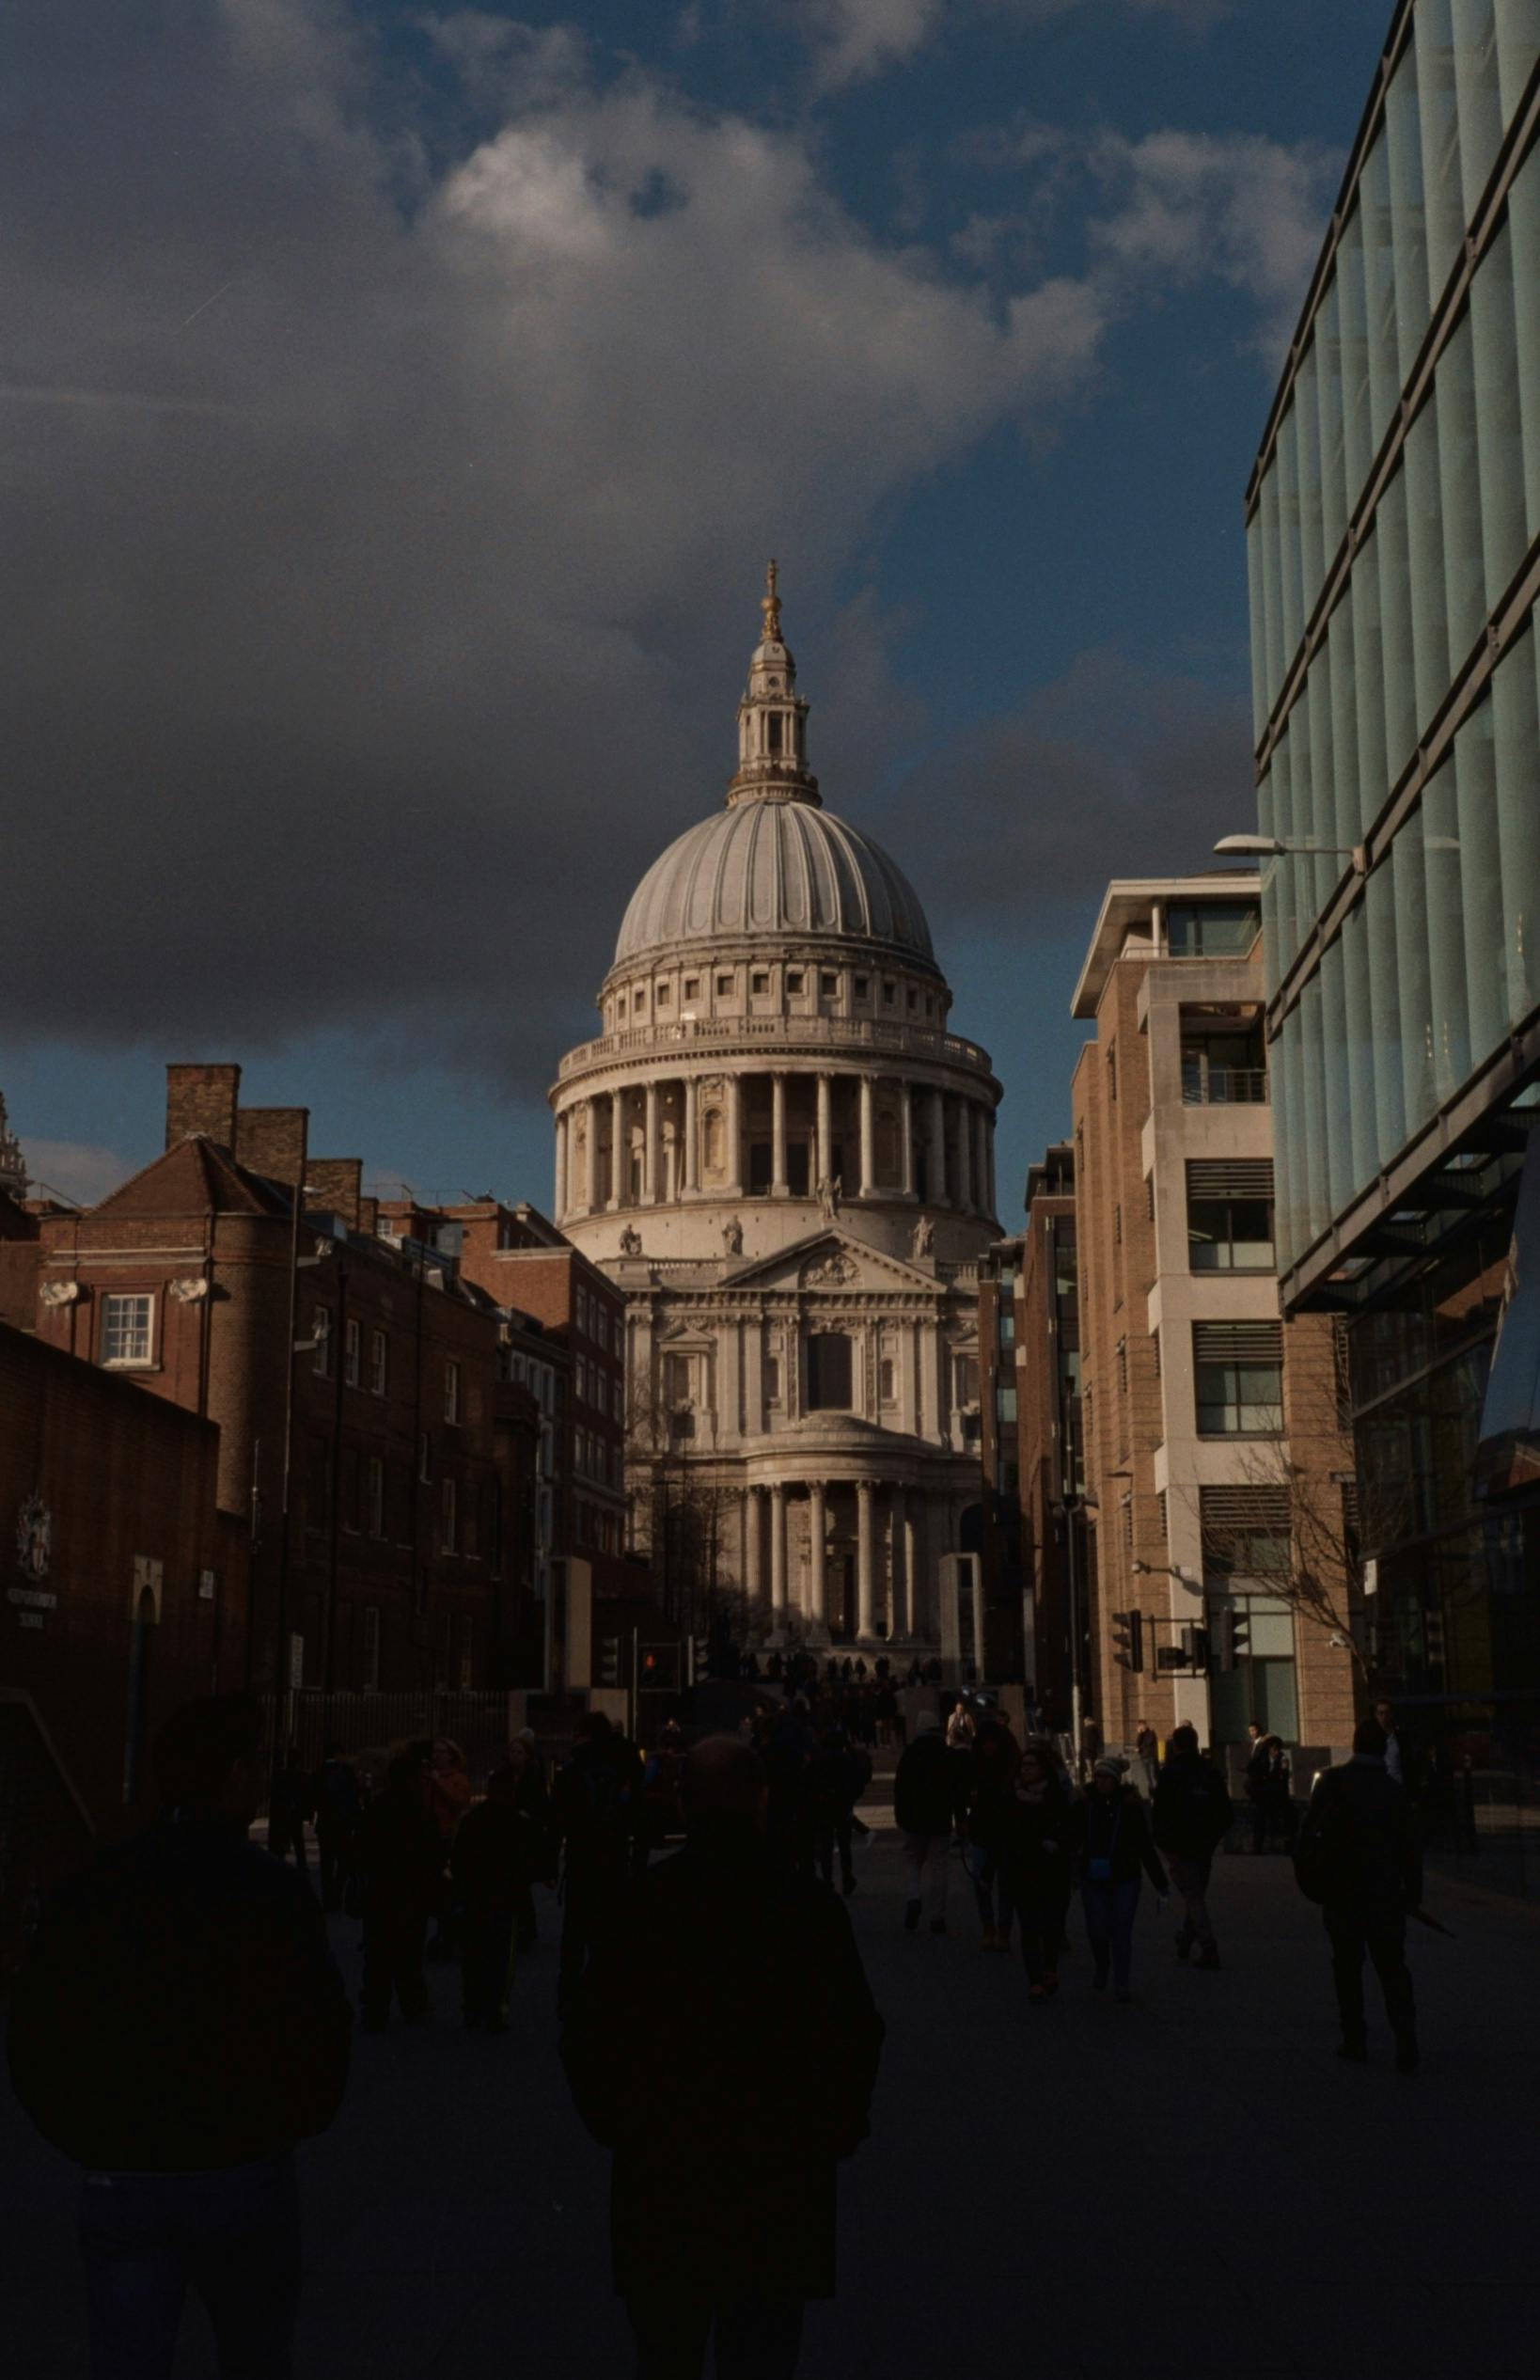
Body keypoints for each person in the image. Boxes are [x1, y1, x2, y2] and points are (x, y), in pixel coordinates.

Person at [7, 1694, 351, 2379]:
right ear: (228, 1776)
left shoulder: (98, 1884)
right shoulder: (272, 1892)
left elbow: (38, 2025)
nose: (259, 1778)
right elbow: (322, 2029)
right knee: (255, 2357)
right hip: (244, 2167)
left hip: (127, 2169)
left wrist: (85, 2136)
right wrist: (286, 2123)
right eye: (252, 1764)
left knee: (127, 2360)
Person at [561, 1738, 883, 2380]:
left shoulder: (639, 1904)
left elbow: (589, 2031)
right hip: (778, 2183)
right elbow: (855, 2035)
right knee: (762, 2357)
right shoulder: (808, 1906)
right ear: (762, 1798)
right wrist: (830, 2136)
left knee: (667, 2356)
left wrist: (621, 2128)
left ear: (683, 1802)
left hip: (661, 2181)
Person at [1295, 1716, 1421, 2072]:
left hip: (1341, 1892)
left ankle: (1355, 2038)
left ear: (1353, 1744)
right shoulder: (1393, 1793)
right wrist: (1412, 1893)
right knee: (1392, 1968)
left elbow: (1309, 1837)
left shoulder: (1333, 1783)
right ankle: (1405, 2037)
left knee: (1347, 1969)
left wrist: (1313, 1882)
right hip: (1384, 1895)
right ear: (1383, 1750)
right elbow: (1411, 1850)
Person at [554, 1713, 642, 2011]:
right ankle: (608, 1990)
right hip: (613, 1854)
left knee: (575, 1931)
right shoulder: (620, 1765)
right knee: (610, 1928)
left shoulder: (572, 1769)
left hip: (582, 1855)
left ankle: (568, 1994)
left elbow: (560, 1817)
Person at [353, 1748, 444, 2029]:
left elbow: (363, 1848)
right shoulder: (419, 1812)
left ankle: (376, 2007)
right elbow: (431, 1853)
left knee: (378, 1952)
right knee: (408, 1951)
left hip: (382, 1889)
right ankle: (412, 2003)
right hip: (409, 1889)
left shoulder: (379, 1808)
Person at [1072, 1755, 1169, 2001]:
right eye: (1098, 1777)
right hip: (1093, 1875)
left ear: (1116, 1780)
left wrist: (1160, 1882)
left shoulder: (1129, 1807)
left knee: (1122, 1930)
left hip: (1125, 1875)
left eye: (1106, 1777)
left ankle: (1121, 1981)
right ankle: (1103, 1964)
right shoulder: (1085, 1805)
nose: (1102, 1782)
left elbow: (1144, 1845)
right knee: (1097, 1929)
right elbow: (1070, 1837)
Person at [451, 1765, 538, 2031]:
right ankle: (494, 2009)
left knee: (474, 1954)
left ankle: (472, 2006)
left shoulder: (472, 1821)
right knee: (502, 1958)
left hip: (476, 1895)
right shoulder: (518, 1822)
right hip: (506, 1897)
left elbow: (459, 1860)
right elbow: (526, 1862)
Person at [1152, 1722, 1233, 1970]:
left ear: (1175, 1746)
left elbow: (1159, 1812)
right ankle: (1186, 1939)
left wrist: (1163, 1841)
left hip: (1178, 1844)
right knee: (1195, 1893)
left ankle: (1208, 1947)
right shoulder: (1209, 1771)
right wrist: (1214, 1836)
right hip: (1203, 1843)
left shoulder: (1170, 1773)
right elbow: (1225, 1811)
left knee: (1193, 1895)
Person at [998, 1741, 1075, 2000]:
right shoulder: (1011, 1797)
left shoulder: (1055, 1798)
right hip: (1022, 1871)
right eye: (1023, 1766)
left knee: (1051, 1926)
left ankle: (1050, 1967)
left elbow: (1068, 1832)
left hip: (1052, 1872)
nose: (1026, 1770)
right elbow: (1004, 1835)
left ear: (1043, 1768)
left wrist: (1056, 1844)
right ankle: (1035, 1979)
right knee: (1029, 1928)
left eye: (1031, 1765)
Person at [893, 1710, 966, 1934]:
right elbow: (957, 1790)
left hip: (913, 1819)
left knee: (913, 1862)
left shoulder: (910, 1754)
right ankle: (937, 1916)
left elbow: (900, 1788)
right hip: (939, 1818)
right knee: (939, 1867)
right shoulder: (947, 1754)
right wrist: (960, 1818)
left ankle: (914, 1896)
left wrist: (900, 1816)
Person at [965, 1716, 1021, 1951]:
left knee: (1005, 1884)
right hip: (981, 1832)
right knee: (981, 1882)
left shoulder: (1011, 1772)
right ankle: (989, 1927)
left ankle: (1004, 1930)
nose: (989, 1747)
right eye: (985, 1742)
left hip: (1006, 1835)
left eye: (992, 1742)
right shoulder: (975, 1767)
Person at [424, 1738, 473, 1959]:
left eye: (441, 1752)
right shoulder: (429, 1779)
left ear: (451, 1755)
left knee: (448, 1889)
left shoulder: (457, 1779)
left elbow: (460, 1802)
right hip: (431, 1836)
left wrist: (439, 1783)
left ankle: (449, 1932)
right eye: (435, 1752)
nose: (437, 1756)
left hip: (448, 1836)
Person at [806, 1725, 868, 1897]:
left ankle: (827, 1880)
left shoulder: (818, 1760)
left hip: (824, 1806)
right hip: (843, 1806)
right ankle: (847, 1877)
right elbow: (857, 1782)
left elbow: (810, 1783)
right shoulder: (847, 1759)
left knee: (826, 1846)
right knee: (844, 1845)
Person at [312, 1743, 363, 1915]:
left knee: (326, 1862)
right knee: (343, 1862)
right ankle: (338, 1894)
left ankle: (328, 1899)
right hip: (343, 1824)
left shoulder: (319, 1772)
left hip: (326, 1823)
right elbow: (355, 1795)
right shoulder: (347, 1772)